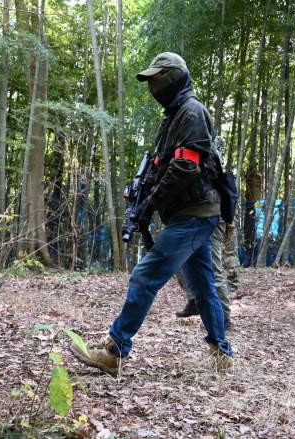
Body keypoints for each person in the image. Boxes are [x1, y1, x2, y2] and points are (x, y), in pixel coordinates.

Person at [69, 52, 233, 374]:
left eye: (157, 78)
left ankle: (115, 350)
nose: (153, 86)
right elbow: (165, 166)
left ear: (174, 77)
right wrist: (145, 199)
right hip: (190, 213)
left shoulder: (192, 111)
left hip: (195, 213)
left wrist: (151, 203)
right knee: (203, 286)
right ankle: (221, 354)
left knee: (145, 276)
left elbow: (186, 166)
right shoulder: (174, 115)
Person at [175, 219, 232, 331]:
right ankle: (195, 300)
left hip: (212, 218)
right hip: (190, 218)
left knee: (212, 269)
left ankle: (222, 318)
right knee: (179, 261)